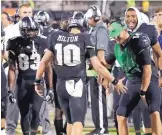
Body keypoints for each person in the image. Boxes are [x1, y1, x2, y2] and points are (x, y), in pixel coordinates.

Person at [34, 11, 127, 135]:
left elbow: (43, 62)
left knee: (70, 121)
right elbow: (98, 66)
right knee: (78, 122)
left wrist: (37, 81)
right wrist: (114, 81)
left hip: (60, 86)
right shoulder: (85, 38)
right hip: (76, 86)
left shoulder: (55, 36)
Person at [108, 19, 161, 135]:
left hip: (149, 78)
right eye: (114, 36)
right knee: (121, 114)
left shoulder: (138, 41)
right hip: (132, 80)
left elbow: (147, 69)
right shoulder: (116, 46)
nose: (116, 38)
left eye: (117, 34)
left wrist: (143, 91)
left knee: (154, 111)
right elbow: (106, 64)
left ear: (125, 29)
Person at [7, 16, 53, 135]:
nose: (32, 32)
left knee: (37, 111)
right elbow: (12, 68)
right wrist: (10, 90)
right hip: (22, 81)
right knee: (24, 113)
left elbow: (48, 67)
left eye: (34, 30)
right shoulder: (14, 42)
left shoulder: (43, 41)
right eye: (29, 30)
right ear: (23, 30)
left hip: (38, 81)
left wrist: (51, 88)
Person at [85, 6, 110, 135]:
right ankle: (98, 127)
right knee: (95, 102)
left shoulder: (100, 30)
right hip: (93, 71)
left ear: (95, 17)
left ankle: (102, 129)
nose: (88, 20)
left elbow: (101, 54)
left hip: (98, 72)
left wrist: (102, 73)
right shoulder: (94, 29)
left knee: (99, 102)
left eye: (89, 18)